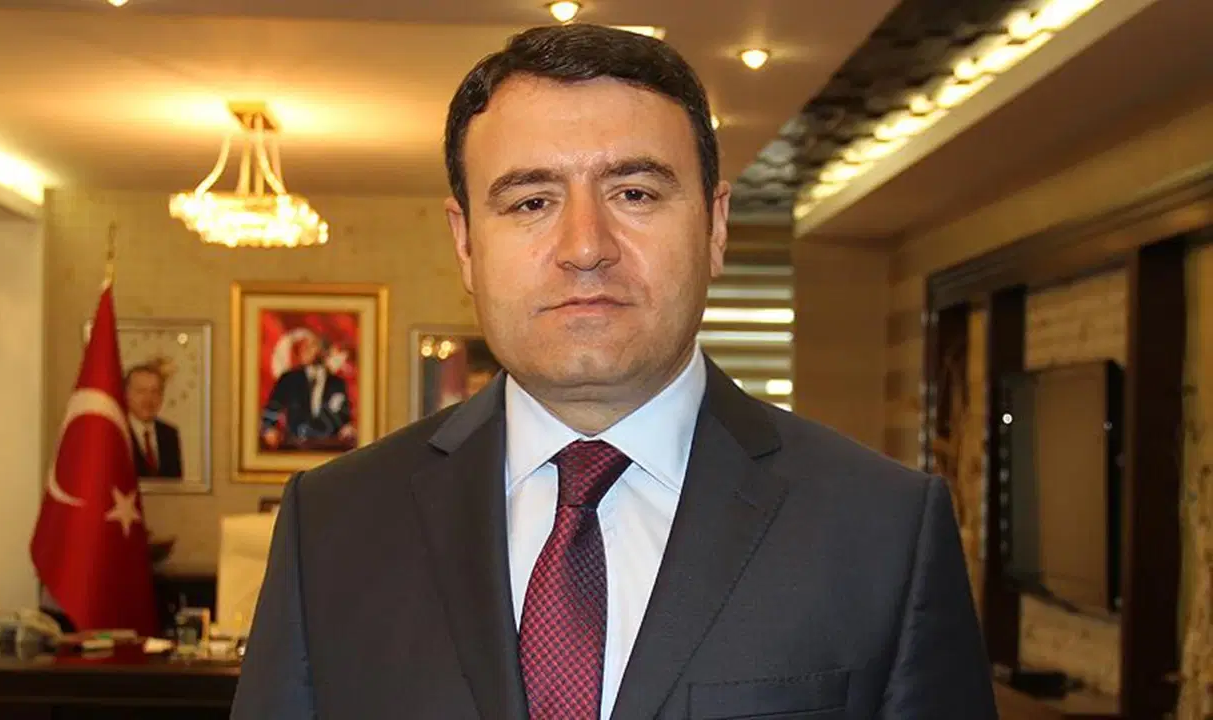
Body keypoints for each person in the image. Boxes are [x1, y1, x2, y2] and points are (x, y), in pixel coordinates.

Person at [233, 24, 997, 720]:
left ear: (715, 226)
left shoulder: (884, 530)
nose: (585, 246)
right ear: (465, 243)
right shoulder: (331, 526)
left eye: (634, 193)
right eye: (531, 202)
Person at [260, 330, 355, 451]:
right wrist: (268, 429)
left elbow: (344, 415)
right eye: (304, 346)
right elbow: (272, 407)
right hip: (295, 444)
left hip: (328, 446)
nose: (304, 350)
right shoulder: (289, 379)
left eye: (311, 345)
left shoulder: (337, 383)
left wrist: (346, 428)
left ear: (324, 352)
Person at [124, 364, 183, 479]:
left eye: (155, 391)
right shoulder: (117, 431)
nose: (148, 398)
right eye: (141, 391)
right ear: (126, 394)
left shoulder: (169, 433)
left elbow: (174, 484)